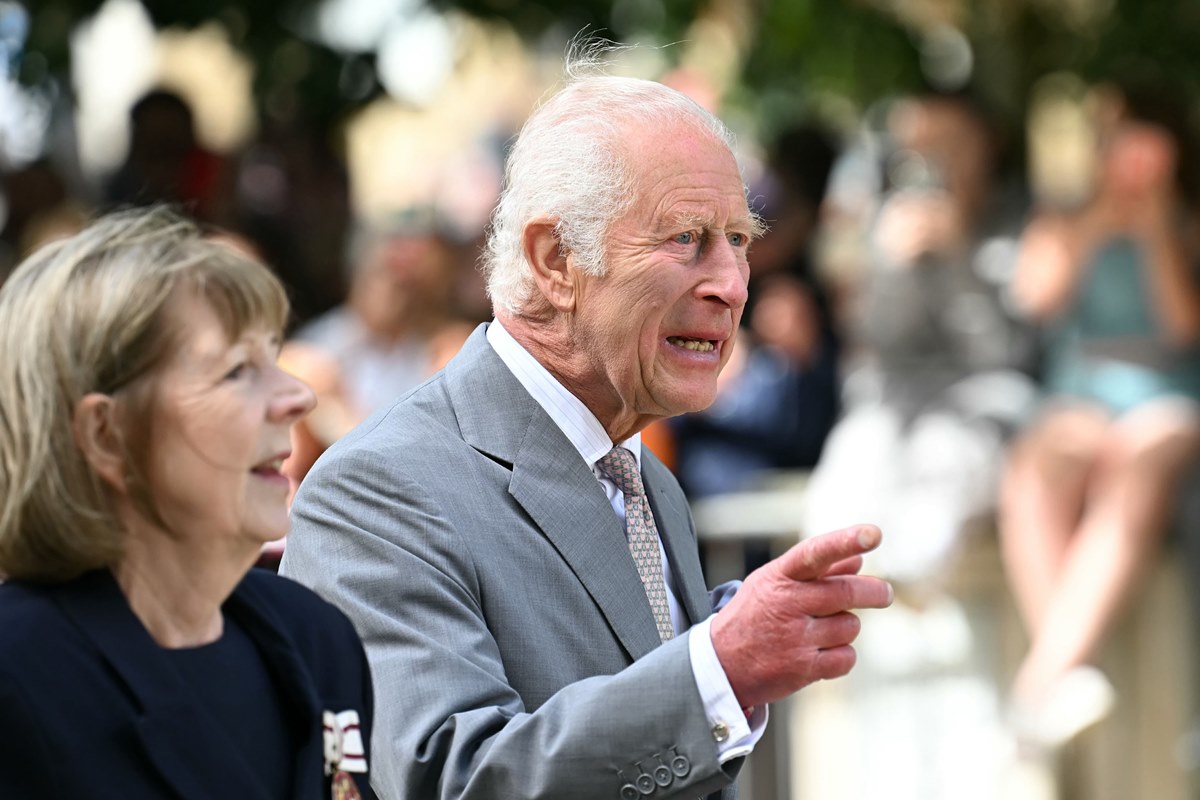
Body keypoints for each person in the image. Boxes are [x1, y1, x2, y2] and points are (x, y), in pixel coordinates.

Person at [280, 49, 893, 800]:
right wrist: (716, 670)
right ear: (554, 259)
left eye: (738, 240)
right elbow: (457, 779)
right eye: (685, 239)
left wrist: (719, 669)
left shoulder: (645, 478)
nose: (732, 285)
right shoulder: (377, 491)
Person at [0, 207, 376, 799]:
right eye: (235, 372)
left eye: (273, 356)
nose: (297, 396)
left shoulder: (319, 639)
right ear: (106, 434)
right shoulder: (19, 673)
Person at [998, 81, 1200, 750]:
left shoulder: (1184, 219)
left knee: (1139, 471)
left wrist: (1152, 229)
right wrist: (1094, 223)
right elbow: (1036, 299)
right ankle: (1068, 674)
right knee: (1035, 470)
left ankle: (1041, 681)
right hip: (1081, 392)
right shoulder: (1063, 217)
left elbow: (1180, 325)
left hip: (1169, 394)